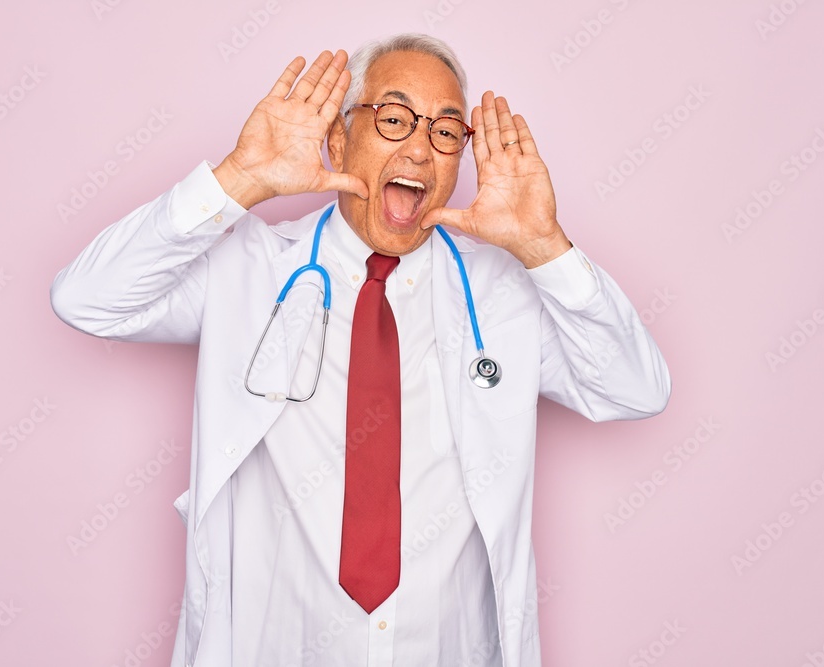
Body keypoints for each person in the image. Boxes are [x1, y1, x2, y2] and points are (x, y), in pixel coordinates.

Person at [50, 33, 670, 667]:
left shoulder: (503, 293)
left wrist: (544, 246)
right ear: (339, 139)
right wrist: (239, 179)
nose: (420, 150)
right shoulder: (250, 267)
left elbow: (635, 389)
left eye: (445, 132)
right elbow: (87, 299)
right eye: (395, 119)